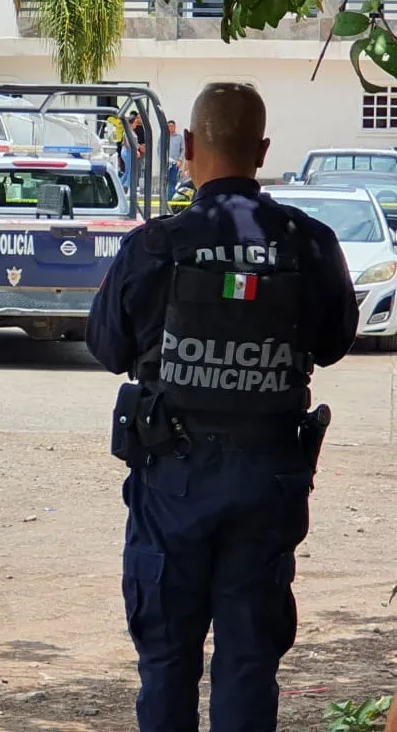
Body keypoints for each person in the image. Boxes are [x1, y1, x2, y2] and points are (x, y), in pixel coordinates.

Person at [86, 82, 359, 732]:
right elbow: (337, 341)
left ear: (186, 146)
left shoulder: (156, 245)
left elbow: (106, 343)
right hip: (268, 482)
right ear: (262, 150)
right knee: (247, 663)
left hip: (171, 484)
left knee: (167, 663)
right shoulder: (308, 244)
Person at [167, 119, 185, 199]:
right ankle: (165, 199)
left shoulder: (179, 137)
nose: (170, 128)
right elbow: (159, 149)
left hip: (175, 163)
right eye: (169, 126)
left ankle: (171, 199)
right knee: (165, 181)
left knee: (173, 181)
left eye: (172, 126)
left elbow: (183, 149)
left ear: (175, 127)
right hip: (166, 163)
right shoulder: (164, 137)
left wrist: (180, 160)